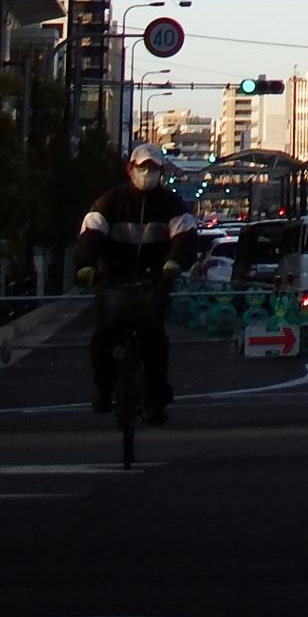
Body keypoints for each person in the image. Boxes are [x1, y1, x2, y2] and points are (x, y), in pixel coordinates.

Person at [76, 143, 198, 424]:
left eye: (153, 169)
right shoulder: (110, 201)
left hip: (154, 281)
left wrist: (176, 261)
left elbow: (186, 235)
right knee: (103, 337)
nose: (147, 173)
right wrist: (86, 264)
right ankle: (104, 389)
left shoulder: (171, 204)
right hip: (113, 281)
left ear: (161, 173)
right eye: (142, 167)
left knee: (155, 340)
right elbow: (91, 232)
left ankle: (156, 401)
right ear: (130, 169)